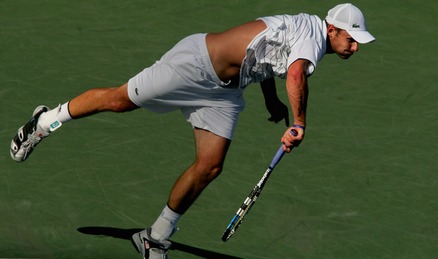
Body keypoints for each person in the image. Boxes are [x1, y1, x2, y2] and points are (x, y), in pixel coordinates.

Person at [10, 3, 375, 259]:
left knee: (210, 165)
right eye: (351, 39)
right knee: (120, 100)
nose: (355, 47)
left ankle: (155, 238)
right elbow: (294, 73)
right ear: (332, 29)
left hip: (226, 91)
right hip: (194, 65)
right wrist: (299, 124)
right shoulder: (311, 37)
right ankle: (44, 122)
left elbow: (267, 62)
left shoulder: (307, 33)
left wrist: (271, 103)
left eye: (358, 41)